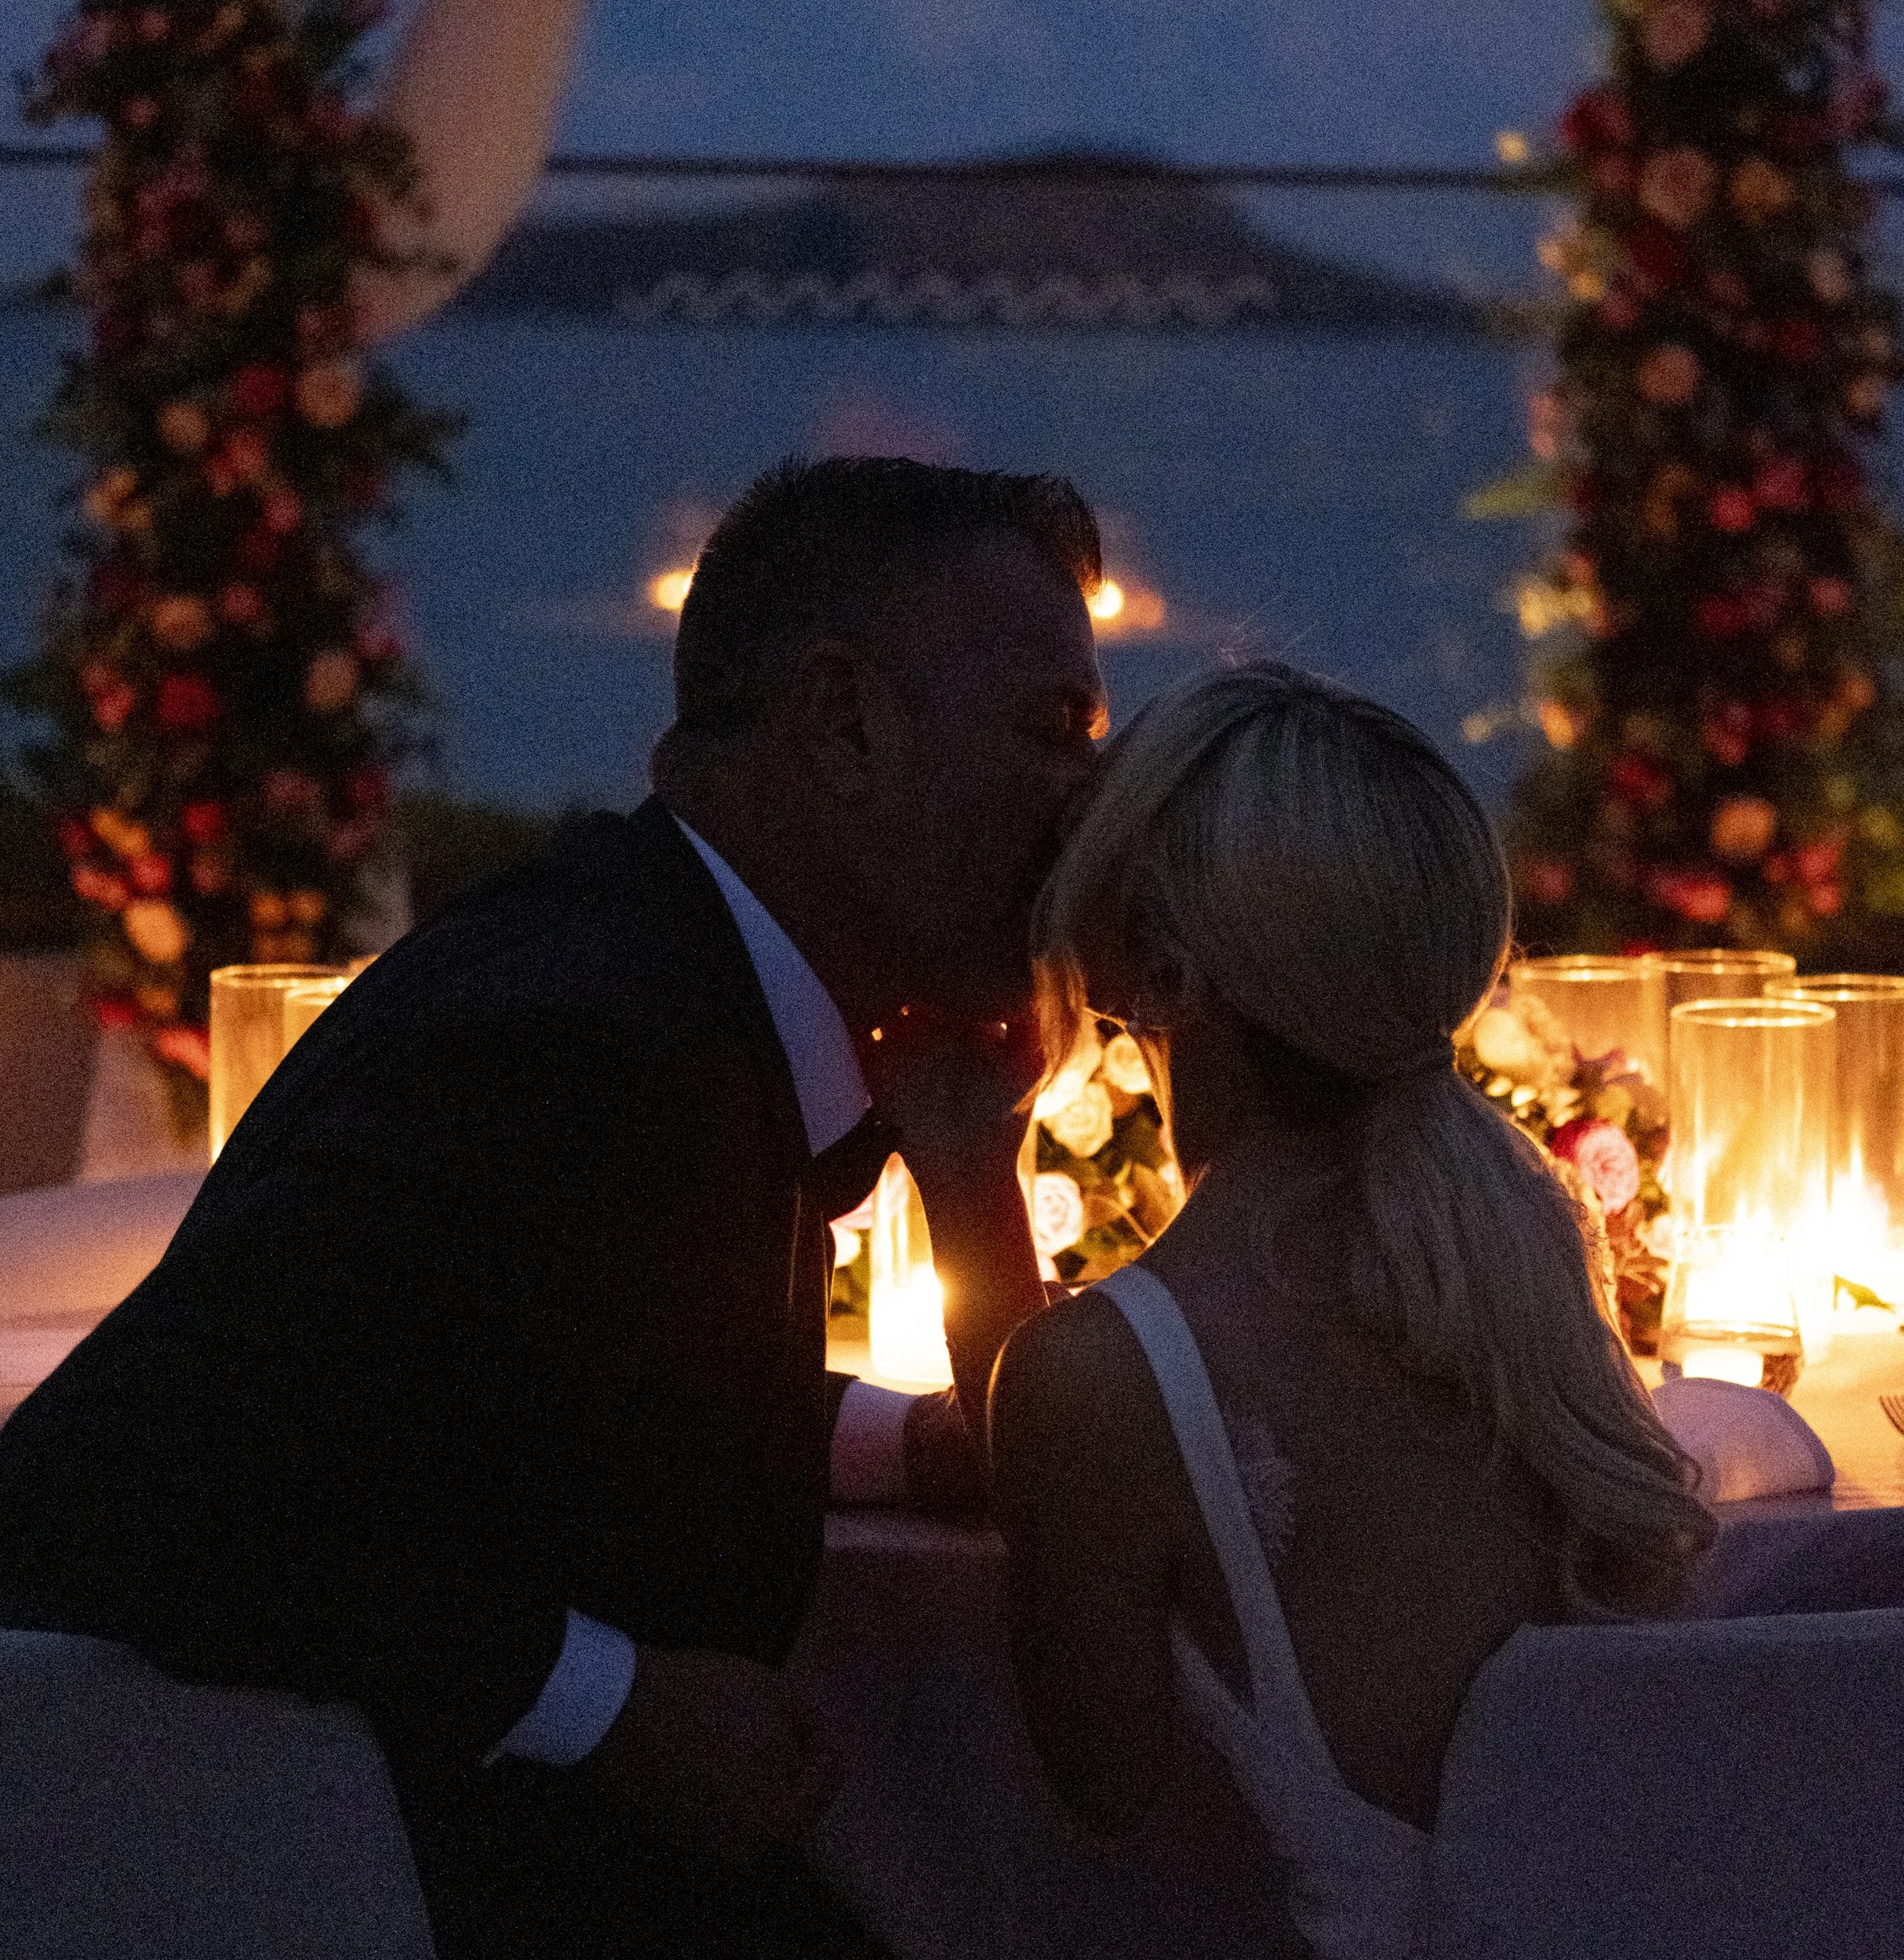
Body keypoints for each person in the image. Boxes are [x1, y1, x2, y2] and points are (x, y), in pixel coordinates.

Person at [0, 456, 1104, 1960]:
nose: (1088, 809)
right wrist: (609, 1701)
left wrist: (881, 1433)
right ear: (840, 723)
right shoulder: (580, 1043)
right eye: (1054, 734)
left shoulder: (655, 972)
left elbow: (518, 1373)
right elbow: (138, 1482)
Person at [990, 666, 1713, 1959]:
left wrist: (962, 1163)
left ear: (1159, 972)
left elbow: (1099, 1795)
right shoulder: (1520, 1256)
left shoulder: (1105, 1376)